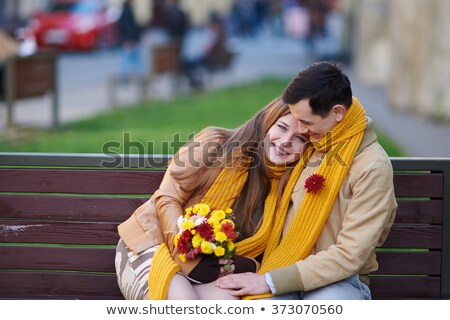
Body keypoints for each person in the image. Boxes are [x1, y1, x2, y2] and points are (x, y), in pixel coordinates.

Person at [215, 61, 398, 300]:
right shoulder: (311, 145)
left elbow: (350, 254)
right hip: (282, 270)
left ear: (337, 113)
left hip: (339, 283)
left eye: (307, 122)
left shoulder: (372, 167)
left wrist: (270, 280)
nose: (300, 129)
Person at [115, 96, 308, 299]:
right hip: (151, 243)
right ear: (266, 122)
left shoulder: (289, 187)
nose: (286, 142)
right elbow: (167, 198)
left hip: (209, 270)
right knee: (183, 301)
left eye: (300, 138)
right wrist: (186, 256)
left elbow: (267, 251)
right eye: (282, 127)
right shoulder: (215, 143)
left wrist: (251, 265)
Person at [117, 0, 143, 78]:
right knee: (129, 58)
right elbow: (128, 27)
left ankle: (131, 74)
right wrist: (131, 38)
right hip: (130, 39)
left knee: (130, 58)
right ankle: (126, 75)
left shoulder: (126, 10)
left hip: (129, 39)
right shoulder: (127, 11)